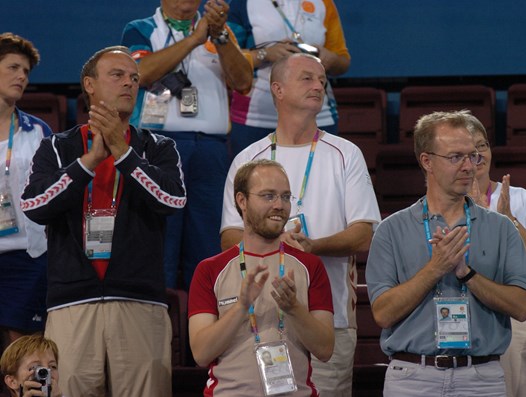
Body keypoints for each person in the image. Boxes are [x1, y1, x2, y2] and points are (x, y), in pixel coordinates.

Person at [21, 46, 186, 397]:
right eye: (117, 75)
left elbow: (172, 199)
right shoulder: (56, 147)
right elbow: (34, 205)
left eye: (134, 78)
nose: (129, 83)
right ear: (89, 85)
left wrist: (123, 154)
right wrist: (88, 162)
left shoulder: (158, 146)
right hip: (72, 306)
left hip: (140, 304)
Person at [220, 53, 380, 397]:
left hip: (329, 319)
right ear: (277, 89)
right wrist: (279, 246)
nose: (319, 86)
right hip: (259, 319)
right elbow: (229, 237)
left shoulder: (344, 153)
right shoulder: (247, 158)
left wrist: (312, 247)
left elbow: (364, 234)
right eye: (307, 78)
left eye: (322, 80)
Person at [366, 111, 526, 397]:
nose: (469, 166)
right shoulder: (390, 230)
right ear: (427, 161)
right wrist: (436, 268)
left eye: (473, 156)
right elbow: (382, 313)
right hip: (412, 379)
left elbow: (522, 308)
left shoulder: (502, 228)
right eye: (456, 157)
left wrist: (467, 274)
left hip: (481, 378)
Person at [121, 0, 253, 289]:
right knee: (160, 244)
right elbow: (140, 73)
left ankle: (205, 330)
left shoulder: (223, 32)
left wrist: (218, 35)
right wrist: (195, 39)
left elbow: (244, 81)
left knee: (207, 247)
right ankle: (159, 328)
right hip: (158, 148)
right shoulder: (141, 29)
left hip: (211, 149)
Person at [189, 159, 334, 396]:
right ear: (242, 201)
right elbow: (202, 353)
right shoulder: (210, 270)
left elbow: (326, 349)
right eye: (268, 196)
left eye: (286, 197)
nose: (279, 205)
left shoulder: (310, 265)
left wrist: (294, 308)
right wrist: (241, 307)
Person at [465, 111, 526, 397]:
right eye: (468, 148)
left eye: (482, 145)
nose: (477, 154)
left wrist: (508, 218)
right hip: (462, 313)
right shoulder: (441, 203)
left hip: (515, 312)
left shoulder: (520, 198)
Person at [227, 0, 351, 158]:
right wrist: (264, 54)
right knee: (256, 182)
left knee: (318, 181)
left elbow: (343, 61)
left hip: (318, 117)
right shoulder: (242, 4)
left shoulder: (323, 3)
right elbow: (225, 57)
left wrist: (330, 58)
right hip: (256, 118)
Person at [0, 33, 51, 349]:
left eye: (26, 71)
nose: (22, 76)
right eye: (13, 67)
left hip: (30, 256)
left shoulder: (39, 132)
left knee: (28, 353)